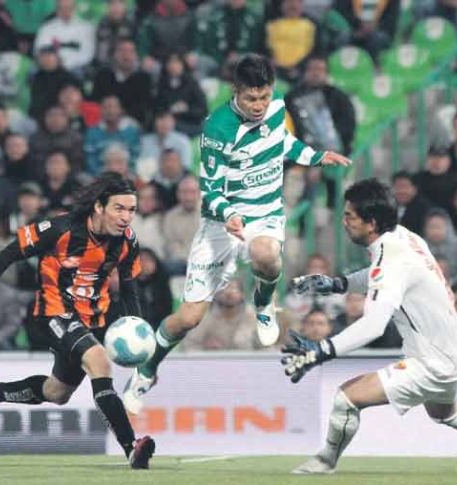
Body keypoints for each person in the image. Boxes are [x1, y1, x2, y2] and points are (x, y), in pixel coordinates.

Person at [120, 54, 351, 413]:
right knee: (188, 318)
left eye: (264, 96)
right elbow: (210, 188)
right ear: (235, 92)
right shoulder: (217, 128)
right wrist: (228, 215)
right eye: (251, 98)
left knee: (266, 254)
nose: (259, 105)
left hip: (264, 214)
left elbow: (283, 143)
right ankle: (146, 371)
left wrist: (315, 156)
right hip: (221, 222)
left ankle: (264, 304)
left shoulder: (277, 106)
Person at [284, 178, 457, 475]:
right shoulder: (403, 236)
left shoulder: (391, 261)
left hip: (432, 360)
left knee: (347, 398)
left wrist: (322, 350)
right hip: (450, 351)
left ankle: (324, 463)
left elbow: (373, 325)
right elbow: (380, 275)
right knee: (447, 413)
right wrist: (339, 284)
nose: (344, 222)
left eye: (349, 216)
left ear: (371, 223)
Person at [0, 173, 155, 469]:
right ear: (99, 206)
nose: (126, 217)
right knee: (99, 360)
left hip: (90, 321)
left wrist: (137, 329)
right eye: (119, 208)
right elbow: (9, 252)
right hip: (53, 313)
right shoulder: (60, 229)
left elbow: (129, 287)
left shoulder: (127, 241)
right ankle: (132, 448)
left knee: (57, 393)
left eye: (131, 210)